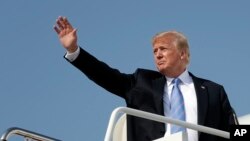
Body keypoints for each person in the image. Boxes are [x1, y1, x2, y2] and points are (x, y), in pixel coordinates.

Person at [54, 16, 236, 141]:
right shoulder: (141, 82)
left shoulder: (213, 90)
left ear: (182, 53)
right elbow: (105, 75)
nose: (157, 55)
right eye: (154, 51)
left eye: (163, 49)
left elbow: (233, 129)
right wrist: (74, 51)